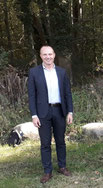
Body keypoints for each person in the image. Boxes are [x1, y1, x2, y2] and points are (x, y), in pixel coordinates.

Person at [28, 46, 73, 183]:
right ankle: (47, 171)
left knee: (61, 141)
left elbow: (67, 94)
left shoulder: (61, 72)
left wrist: (70, 111)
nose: (48, 57)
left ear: (54, 55)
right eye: (45, 54)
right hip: (42, 113)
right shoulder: (34, 72)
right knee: (45, 143)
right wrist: (34, 115)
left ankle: (62, 166)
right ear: (41, 56)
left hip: (59, 110)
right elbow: (31, 95)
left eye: (50, 54)